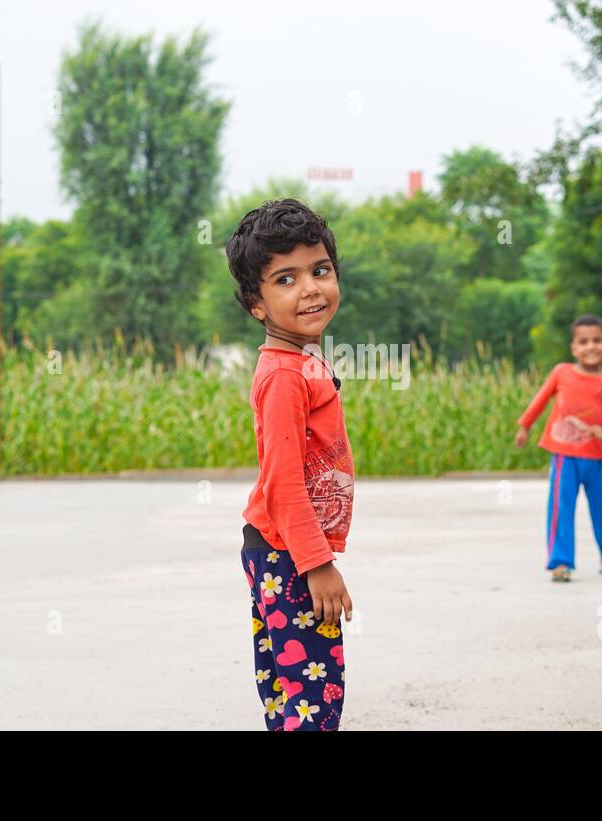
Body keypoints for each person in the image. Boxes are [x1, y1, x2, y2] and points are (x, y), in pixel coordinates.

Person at [226, 198, 354, 730]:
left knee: (291, 697)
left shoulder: (300, 360)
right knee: (313, 700)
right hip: (290, 557)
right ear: (257, 303)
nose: (310, 289)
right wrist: (318, 564)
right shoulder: (284, 376)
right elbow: (282, 483)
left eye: (320, 270)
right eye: (286, 279)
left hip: (279, 554)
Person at [515, 314, 602, 581]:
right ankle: (560, 562)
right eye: (584, 341)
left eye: (597, 340)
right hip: (565, 457)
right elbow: (540, 400)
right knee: (561, 507)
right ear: (574, 348)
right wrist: (525, 426)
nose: (591, 347)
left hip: (597, 458)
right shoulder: (561, 373)